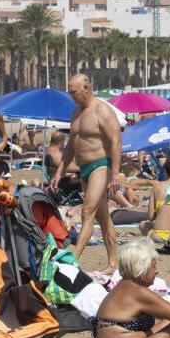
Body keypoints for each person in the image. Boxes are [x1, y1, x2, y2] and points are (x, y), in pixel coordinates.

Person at [53, 74, 121, 270]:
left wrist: (115, 173)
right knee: (103, 218)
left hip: (101, 165)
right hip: (84, 169)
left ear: (86, 89)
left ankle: (73, 258)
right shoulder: (76, 113)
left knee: (87, 211)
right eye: (70, 92)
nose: (71, 96)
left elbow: (116, 141)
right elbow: (71, 146)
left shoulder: (102, 111)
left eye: (74, 92)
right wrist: (59, 172)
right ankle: (112, 263)